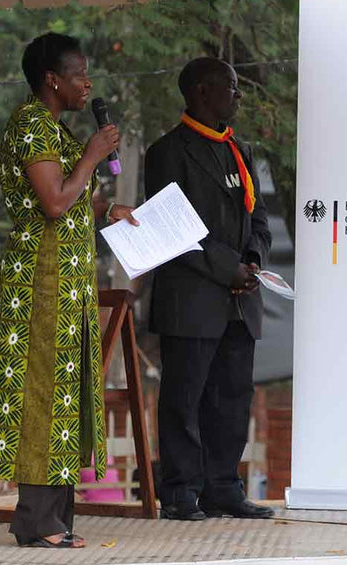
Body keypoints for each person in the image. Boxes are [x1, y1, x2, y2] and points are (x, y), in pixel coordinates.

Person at [0, 33, 137, 549]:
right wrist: (92, 155)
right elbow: (52, 202)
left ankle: (56, 519)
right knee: (45, 394)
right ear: (52, 79)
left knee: (67, 398)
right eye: (79, 75)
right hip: (42, 279)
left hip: (68, 279)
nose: (88, 84)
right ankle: (36, 520)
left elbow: (75, 201)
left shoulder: (53, 128)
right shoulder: (31, 124)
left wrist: (108, 209)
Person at [143, 58, 273, 522]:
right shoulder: (167, 152)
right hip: (193, 295)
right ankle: (180, 489)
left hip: (240, 297)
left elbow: (258, 218)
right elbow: (173, 230)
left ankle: (222, 486)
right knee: (185, 397)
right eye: (231, 87)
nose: (239, 96)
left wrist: (253, 261)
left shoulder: (241, 149)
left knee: (232, 396)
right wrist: (228, 269)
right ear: (202, 91)